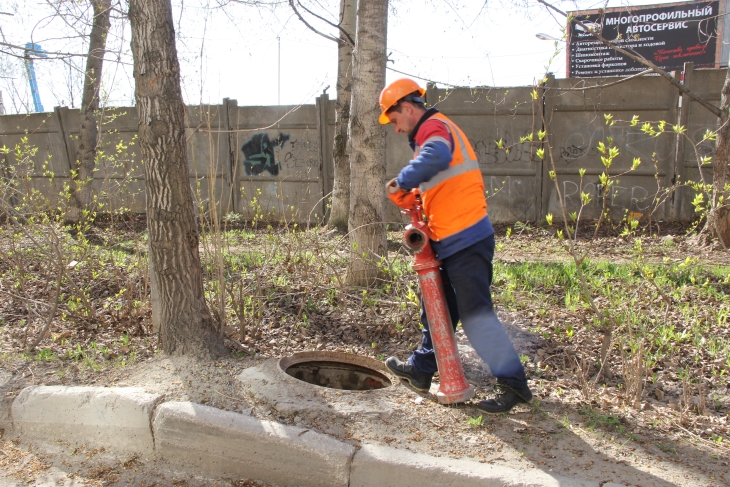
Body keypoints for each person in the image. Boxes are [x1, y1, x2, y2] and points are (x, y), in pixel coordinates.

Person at [380, 78, 532, 414]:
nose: (395, 129)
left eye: (394, 121)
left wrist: (402, 182)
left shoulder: (434, 129)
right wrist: (417, 195)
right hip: (451, 238)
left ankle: (515, 387)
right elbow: (439, 181)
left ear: (407, 108)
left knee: (477, 317)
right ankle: (421, 370)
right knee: (438, 310)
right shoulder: (429, 133)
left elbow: (437, 156)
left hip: (467, 238)